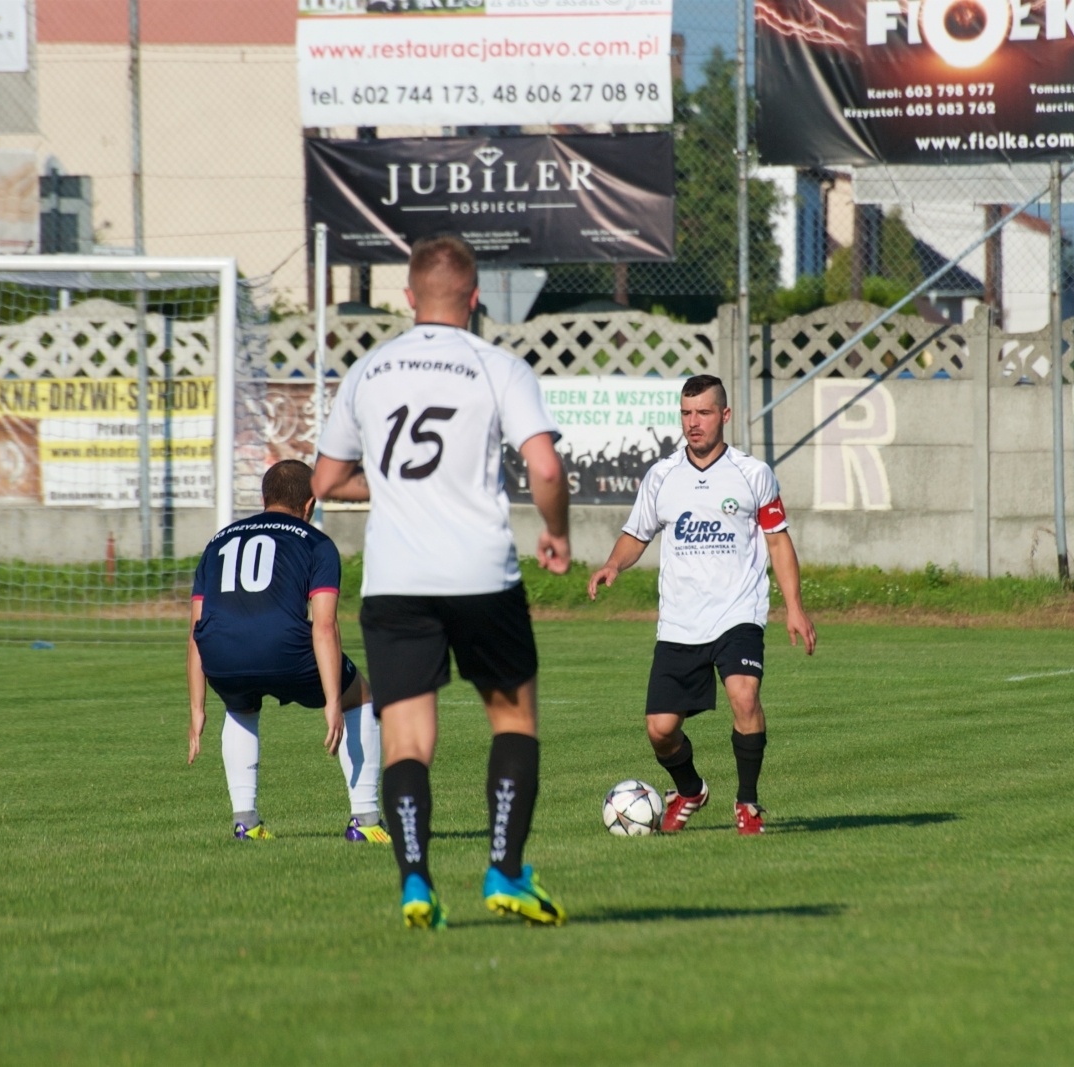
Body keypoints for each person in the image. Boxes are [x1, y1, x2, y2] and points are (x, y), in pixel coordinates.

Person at [311, 234, 572, 931]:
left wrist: (396, 488)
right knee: (512, 720)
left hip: (397, 580)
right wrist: (558, 531)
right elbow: (546, 468)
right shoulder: (498, 366)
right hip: (481, 574)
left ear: (408, 298)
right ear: (475, 296)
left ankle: (417, 883)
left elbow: (325, 480)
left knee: (407, 741)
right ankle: (505, 868)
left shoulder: (368, 370)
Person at [588, 374, 816, 835]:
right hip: (680, 620)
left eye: (704, 413)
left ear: (724, 415)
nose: (693, 423)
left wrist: (794, 606)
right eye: (687, 413)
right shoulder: (662, 476)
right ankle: (690, 790)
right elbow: (636, 534)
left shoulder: (753, 474)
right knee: (660, 730)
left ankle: (747, 803)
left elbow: (778, 542)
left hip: (738, 613)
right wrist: (613, 563)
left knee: (744, 696)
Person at [186, 459, 388, 845]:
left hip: (221, 656)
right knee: (359, 696)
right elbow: (324, 625)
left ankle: (246, 823)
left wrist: (197, 708)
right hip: (283, 648)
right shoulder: (316, 542)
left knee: (240, 706)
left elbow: (196, 630)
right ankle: (365, 820)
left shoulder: (217, 542)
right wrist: (333, 699)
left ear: (264, 498)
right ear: (310, 504)